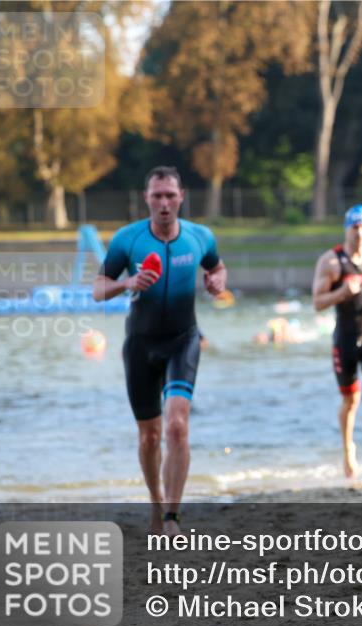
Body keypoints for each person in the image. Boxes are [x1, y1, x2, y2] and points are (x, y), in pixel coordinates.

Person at [93, 166, 227, 536]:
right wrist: (128, 282)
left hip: (183, 340)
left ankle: (172, 515)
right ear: (146, 199)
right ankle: (155, 503)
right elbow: (97, 289)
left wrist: (216, 281)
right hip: (140, 344)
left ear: (182, 196)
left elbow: (217, 267)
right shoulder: (128, 240)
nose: (164, 203)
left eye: (170, 195)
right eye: (157, 196)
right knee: (149, 436)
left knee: (178, 425)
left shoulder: (200, 237)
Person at [312, 205, 362, 478]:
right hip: (344, 339)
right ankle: (348, 450)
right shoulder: (332, 262)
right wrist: (342, 293)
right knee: (351, 401)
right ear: (346, 229)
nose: (359, 232)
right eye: (354, 227)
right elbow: (317, 302)